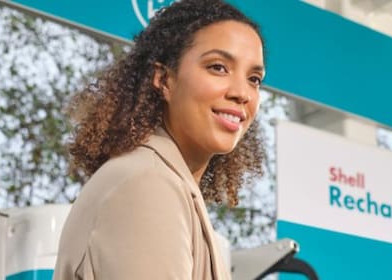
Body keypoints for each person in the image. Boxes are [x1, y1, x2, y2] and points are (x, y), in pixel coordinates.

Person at [54, 0, 265, 278]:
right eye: (218, 67)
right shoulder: (146, 182)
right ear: (164, 79)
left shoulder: (166, 182)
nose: (243, 93)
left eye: (254, 78)